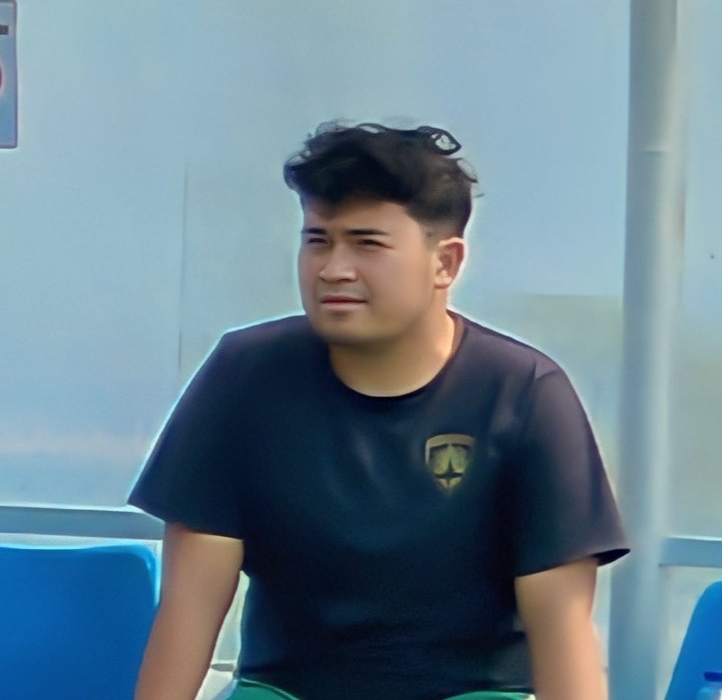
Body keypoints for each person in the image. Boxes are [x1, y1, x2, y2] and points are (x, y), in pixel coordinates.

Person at [129, 122, 629, 700]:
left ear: (446, 263)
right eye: (318, 240)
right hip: (285, 691)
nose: (333, 269)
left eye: (367, 244)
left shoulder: (527, 394)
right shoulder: (243, 375)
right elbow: (189, 608)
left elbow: (563, 631)